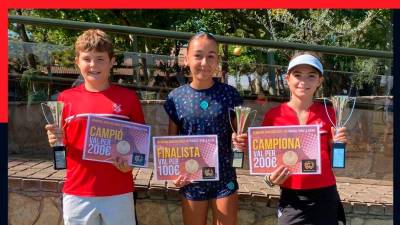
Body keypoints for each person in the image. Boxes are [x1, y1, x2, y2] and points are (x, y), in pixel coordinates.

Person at [45, 29, 144, 225]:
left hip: (119, 191)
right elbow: (62, 146)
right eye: (87, 59)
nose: (93, 65)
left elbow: (140, 144)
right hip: (77, 192)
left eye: (100, 58)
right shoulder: (65, 98)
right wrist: (56, 141)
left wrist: (131, 164)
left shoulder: (128, 98)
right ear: (77, 62)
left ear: (111, 61)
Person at [163, 32, 247, 225]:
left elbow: (239, 138)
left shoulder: (229, 94)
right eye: (198, 55)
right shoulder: (176, 97)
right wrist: (174, 173)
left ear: (217, 59)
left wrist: (240, 142)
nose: (204, 62)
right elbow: (171, 144)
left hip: (225, 177)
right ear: (186, 59)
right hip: (191, 178)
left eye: (211, 56)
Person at [262, 52, 348, 225]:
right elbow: (264, 160)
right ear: (287, 78)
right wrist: (269, 179)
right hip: (291, 197)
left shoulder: (331, 114)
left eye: (311, 76)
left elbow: (335, 162)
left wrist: (337, 146)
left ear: (319, 81)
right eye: (297, 75)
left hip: (325, 195)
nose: (303, 81)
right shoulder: (274, 116)